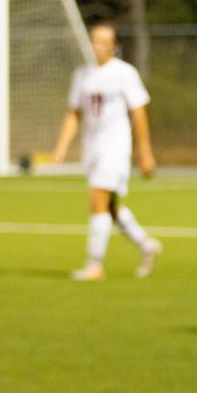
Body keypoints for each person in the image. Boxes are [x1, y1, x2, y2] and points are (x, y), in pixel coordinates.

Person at [52, 21, 162, 282]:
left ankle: (94, 266)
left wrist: (144, 152)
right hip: (92, 147)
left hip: (116, 146)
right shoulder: (82, 74)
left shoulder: (124, 73)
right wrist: (61, 147)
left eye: (104, 41)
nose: (98, 46)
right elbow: (73, 113)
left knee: (98, 199)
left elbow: (139, 112)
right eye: (94, 40)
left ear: (115, 45)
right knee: (110, 206)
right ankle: (146, 245)